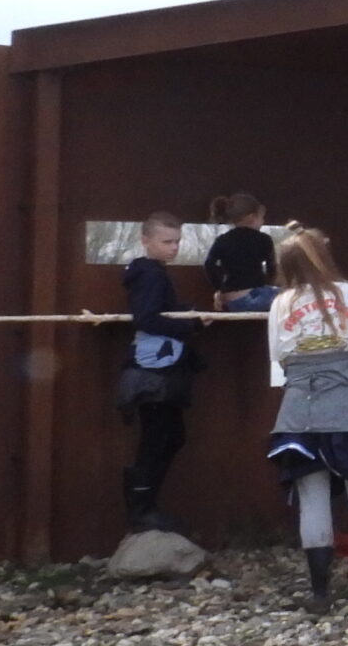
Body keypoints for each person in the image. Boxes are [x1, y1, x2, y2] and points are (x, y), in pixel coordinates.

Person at [265, 225, 348, 614]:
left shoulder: (281, 303)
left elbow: (279, 355)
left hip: (299, 411)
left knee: (312, 499)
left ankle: (320, 595)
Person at [114, 210, 207, 536]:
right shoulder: (151, 275)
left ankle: (145, 507)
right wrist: (191, 323)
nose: (174, 247)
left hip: (159, 366)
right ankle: (141, 510)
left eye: (177, 241)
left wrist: (186, 313)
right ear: (145, 241)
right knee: (159, 438)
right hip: (154, 370)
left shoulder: (151, 273)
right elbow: (147, 318)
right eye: (167, 241)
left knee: (168, 437)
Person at [203, 193, 277, 311]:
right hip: (254, 296)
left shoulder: (222, 240)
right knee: (290, 297)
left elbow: (209, 265)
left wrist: (220, 289)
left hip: (230, 300)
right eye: (262, 218)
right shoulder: (264, 239)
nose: (263, 222)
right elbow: (272, 268)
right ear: (252, 217)